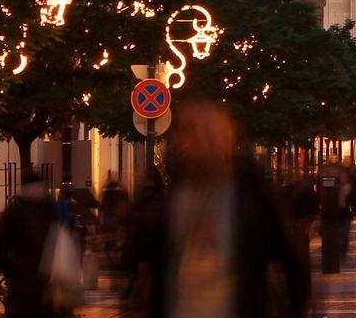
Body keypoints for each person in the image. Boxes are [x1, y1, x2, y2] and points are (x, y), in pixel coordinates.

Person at [121, 99, 309, 318]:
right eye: (187, 132)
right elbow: (137, 251)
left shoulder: (252, 198)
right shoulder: (173, 198)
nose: (194, 143)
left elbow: (294, 262)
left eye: (204, 134)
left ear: (222, 139)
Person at [0, 170, 60, 318]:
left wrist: (11, 270)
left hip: (22, 281)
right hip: (43, 281)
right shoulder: (50, 210)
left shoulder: (14, 211)